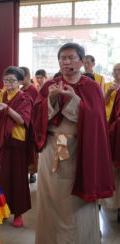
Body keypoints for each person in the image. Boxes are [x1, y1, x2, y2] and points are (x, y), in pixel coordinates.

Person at [32, 43, 114, 244]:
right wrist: (50, 100)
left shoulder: (92, 87)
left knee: (73, 204)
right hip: (51, 149)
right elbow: (36, 117)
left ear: (82, 61)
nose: (66, 62)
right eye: (62, 58)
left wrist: (75, 100)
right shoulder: (49, 86)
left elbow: (96, 121)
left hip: (78, 151)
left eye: (71, 58)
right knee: (50, 200)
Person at [0, 66, 32, 228]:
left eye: (12, 81)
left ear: (20, 82)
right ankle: (1, 211)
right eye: (6, 80)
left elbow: (21, 120)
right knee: (0, 179)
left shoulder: (24, 98)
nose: (8, 84)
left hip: (15, 143)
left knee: (16, 179)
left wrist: (7, 108)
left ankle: (18, 213)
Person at [103, 63, 120, 222]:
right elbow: (103, 103)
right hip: (109, 125)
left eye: (119, 70)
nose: (116, 72)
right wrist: (108, 92)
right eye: (115, 70)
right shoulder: (108, 84)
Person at [19, 66, 39, 183]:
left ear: (27, 76)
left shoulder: (33, 90)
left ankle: (32, 172)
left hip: (31, 123)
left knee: (31, 150)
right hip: (22, 123)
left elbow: (35, 109)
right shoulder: (21, 90)